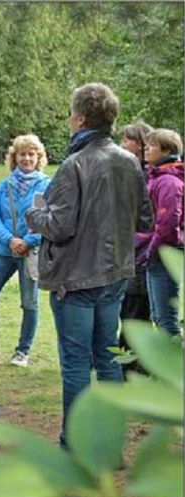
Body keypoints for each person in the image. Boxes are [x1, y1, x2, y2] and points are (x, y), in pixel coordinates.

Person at [26, 82, 152, 448]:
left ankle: (76, 444)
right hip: (113, 273)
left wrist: (35, 214)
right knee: (108, 360)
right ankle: (110, 444)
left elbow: (59, 226)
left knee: (77, 364)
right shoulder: (129, 162)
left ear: (80, 118)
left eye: (70, 115)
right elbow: (143, 219)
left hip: (77, 278)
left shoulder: (74, 165)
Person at [0, 135, 51, 367]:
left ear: (38, 158)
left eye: (31, 154)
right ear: (14, 157)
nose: (26, 158)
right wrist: (9, 240)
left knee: (29, 302)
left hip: (30, 251)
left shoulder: (43, 185)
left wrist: (27, 241)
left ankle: (22, 351)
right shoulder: (6, 184)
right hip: (4, 251)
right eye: (22, 154)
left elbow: (43, 217)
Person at [139, 128, 183, 336]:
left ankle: (174, 366)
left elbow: (167, 225)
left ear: (166, 149)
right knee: (158, 315)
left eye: (152, 145)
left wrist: (152, 250)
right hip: (154, 254)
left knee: (166, 320)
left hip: (163, 254)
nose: (146, 149)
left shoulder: (168, 182)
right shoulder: (156, 177)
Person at [118, 121, 154, 361]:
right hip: (127, 252)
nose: (121, 145)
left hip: (140, 254)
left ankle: (133, 366)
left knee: (135, 312)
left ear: (140, 144)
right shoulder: (130, 171)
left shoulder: (147, 176)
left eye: (125, 140)